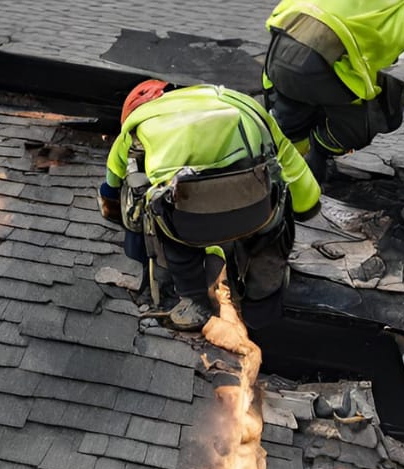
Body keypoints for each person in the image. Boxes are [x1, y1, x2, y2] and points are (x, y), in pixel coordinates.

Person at [98, 80, 322, 331]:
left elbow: (111, 191)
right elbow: (290, 160)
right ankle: (262, 306)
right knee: (270, 236)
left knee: (172, 239)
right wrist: (306, 205)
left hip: (187, 223)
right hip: (255, 209)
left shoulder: (135, 127)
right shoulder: (241, 104)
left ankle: (194, 303)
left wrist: (131, 232)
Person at [263, 0, 404, 180]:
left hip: (278, 53)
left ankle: (284, 167)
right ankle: (319, 150)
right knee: (386, 100)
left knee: (291, 127)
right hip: (321, 70)